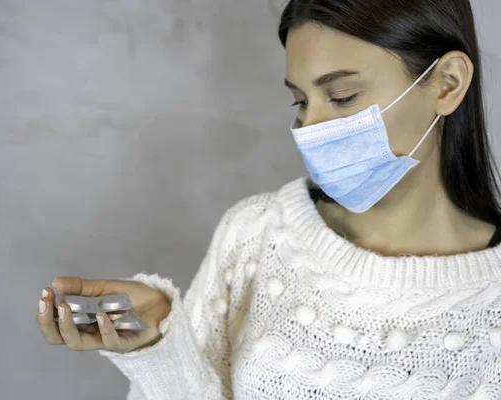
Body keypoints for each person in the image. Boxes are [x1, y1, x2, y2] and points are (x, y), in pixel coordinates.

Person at [37, 0, 501, 398]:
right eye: (300, 102)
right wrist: (158, 344)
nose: (310, 130)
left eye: (342, 96)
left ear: (447, 84)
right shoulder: (256, 234)